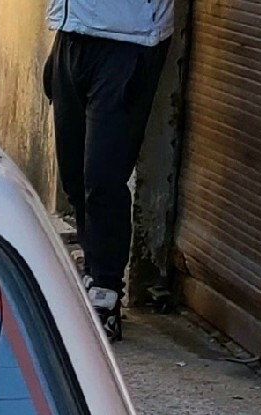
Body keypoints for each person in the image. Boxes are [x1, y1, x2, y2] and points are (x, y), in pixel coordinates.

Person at [43, 0, 174, 343]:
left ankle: (106, 291)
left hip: (128, 42)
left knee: (103, 176)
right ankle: (93, 269)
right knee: (73, 174)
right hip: (71, 34)